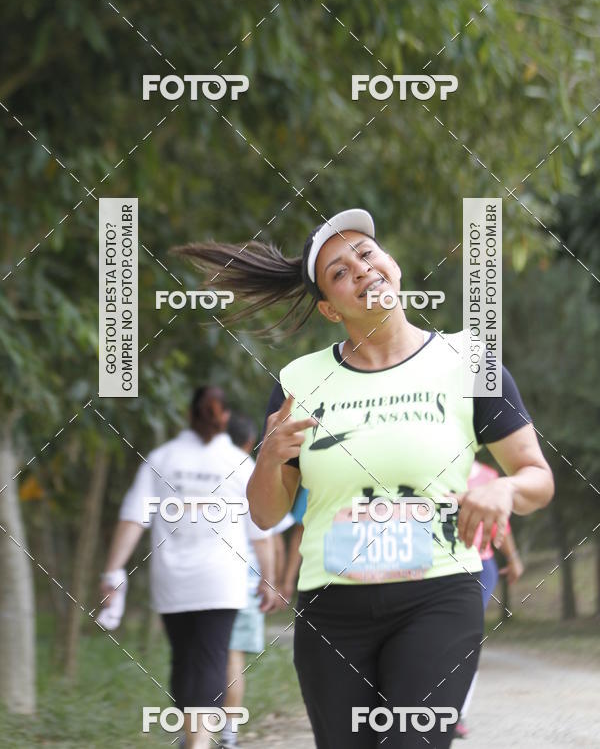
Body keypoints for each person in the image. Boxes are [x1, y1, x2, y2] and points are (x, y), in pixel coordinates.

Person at [175, 209, 555, 748]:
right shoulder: (299, 381)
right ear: (331, 308)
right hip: (332, 608)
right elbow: (265, 514)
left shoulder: (470, 359)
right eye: (339, 270)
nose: (360, 267)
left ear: (392, 266)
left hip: (439, 594)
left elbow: (537, 477)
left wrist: (504, 488)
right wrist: (267, 460)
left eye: (366, 252)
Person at [98, 386, 275, 749]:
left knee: (183, 659)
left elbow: (133, 518)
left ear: (188, 414)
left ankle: (193, 740)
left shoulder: (163, 458)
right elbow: (260, 530)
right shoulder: (240, 464)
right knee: (213, 657)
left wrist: (112, 572)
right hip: (223, 580)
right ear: (224, 417)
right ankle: (200, 741)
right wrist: (269, 578)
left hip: (173, 579)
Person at [222, 411, 286, 748]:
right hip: (240, 579)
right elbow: (266, 535)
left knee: (196, 655)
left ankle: (194, 734)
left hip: (192, 580)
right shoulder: (248, 470)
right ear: (249, 442)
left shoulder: (188, 462)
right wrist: (271, 580)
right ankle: (227, 736)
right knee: (232, 655)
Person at [454, 459, 524, 739]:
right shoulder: (431, 467)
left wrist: (513, 557)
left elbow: (501, 523)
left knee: (466, 637)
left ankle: (457, 713)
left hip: (481, 566)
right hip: (439, 565)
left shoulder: (489, 476)